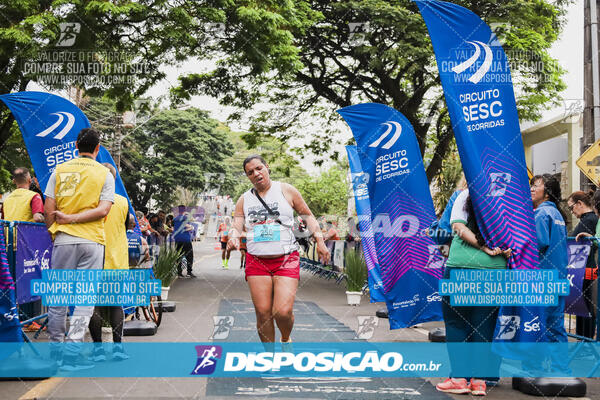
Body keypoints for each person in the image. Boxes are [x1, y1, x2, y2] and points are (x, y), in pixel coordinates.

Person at [227, 155, 330, 350]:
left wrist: (320, 242)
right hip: (257, 260)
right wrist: (233, 237)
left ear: (267, 167)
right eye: (250, 172)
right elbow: (237, 224)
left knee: (282, 312)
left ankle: (285, 338)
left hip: (286, 259)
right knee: (263, 312)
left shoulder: (286, 190)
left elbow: (308, 217)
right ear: (247, 176)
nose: (256, 174)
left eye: (259, 168)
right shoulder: (244, 199)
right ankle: (270, 356)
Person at [44, 128, 115, 371]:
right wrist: (74, 220)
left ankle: (56, 351)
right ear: (98, 148)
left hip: (63, 240)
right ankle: (73, 352)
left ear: (76, 146)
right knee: (84, 300)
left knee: (58, 297)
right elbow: (104, 210)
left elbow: (48, 209)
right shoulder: (105, 174)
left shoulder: (60, 170)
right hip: (93, 242)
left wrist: (57, 229)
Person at [436, 188, 511, 396]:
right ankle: (479, 381)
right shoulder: (510, 196)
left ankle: (459, 379)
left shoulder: (465, 193)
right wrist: (504, 249)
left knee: (456, 323)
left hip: (461, 268)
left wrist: (482, 246)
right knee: (485, 325)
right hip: (495, 270)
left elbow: (458, 226)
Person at [516, 174, 575, 387]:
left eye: (536, 186)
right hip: (556, 279)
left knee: (534, 325)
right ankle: (561, 370)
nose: (531, 189)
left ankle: (534, 369)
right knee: (555, 327)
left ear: (547, 192)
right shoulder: (557, 214)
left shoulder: (541, 214)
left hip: (540, 280)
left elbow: (536, 244)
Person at [87, 163, 129, 362]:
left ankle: (98, 350)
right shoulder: (122, 202)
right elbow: (127, 225)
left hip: (92, 260)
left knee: (93, 306)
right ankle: (118, 349)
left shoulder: (90, 201)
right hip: (117, 261)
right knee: (115, 304)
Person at [568, 191, 598, 339]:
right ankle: (583, 339)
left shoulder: (590, 220)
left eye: (571, 207)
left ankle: (585, 341)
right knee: (582, 306)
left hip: (586, 270)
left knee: (585, 307)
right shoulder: (588, 220)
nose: (572, 212)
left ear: (579, 204)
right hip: (582, 269)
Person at [173, 205, 195, 277]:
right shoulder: (186, 218)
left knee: (179, 256)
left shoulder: (175, 219)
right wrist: (192, 227)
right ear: (184, 210)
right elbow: (187, 227)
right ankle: (189, 272)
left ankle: (179, 273)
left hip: (177, 239)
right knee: (189, 255)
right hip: (185, 239)